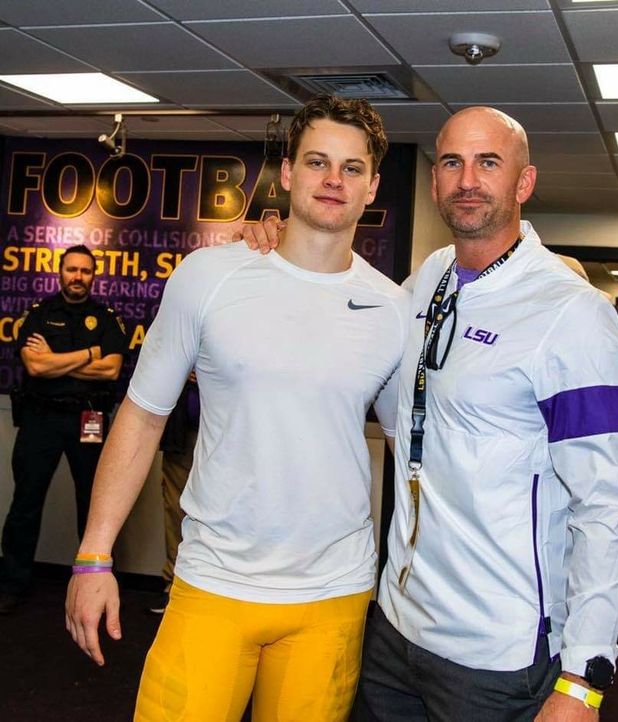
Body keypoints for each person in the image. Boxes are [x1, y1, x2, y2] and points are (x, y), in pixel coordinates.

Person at [244, 106, 618, 721]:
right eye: (452, 163)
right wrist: (278, 248)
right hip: (397, 630)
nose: (467, 180)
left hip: (496, 652)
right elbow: (361, 366)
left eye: (489, 163)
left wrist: (583, 678)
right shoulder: (426, 281)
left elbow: (608, 507)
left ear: (524, 182)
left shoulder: (571, 314)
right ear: (434, 184)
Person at [65, 95, 409, 722]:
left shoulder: (394, 310)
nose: (334, 181)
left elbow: (415, 444)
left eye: (352, 168)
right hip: (214, 583)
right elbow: (142, 417)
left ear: (373, 186)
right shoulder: (209, 276)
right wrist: (94, 554)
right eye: (317, 162)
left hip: (333, 593)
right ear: (287, 172)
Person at [0, 245, 127, 614]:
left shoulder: (106, 318)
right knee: (25, 503)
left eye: (85, 271)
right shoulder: (38, 315)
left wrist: (55, 361)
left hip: (88, 419)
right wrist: (89, 354)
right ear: (60, 272)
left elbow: (112, 370)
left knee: (94, 503)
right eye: (72, 269)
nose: (78, 276)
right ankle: (12, 584)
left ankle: (93, 585)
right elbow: (35, 369)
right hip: (41, 418)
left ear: (93, 275)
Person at [148, 373, 199, 615]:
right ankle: (174, 587)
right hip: (183, 433)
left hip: (234, 434)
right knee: (176, 508)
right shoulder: (181, 333)